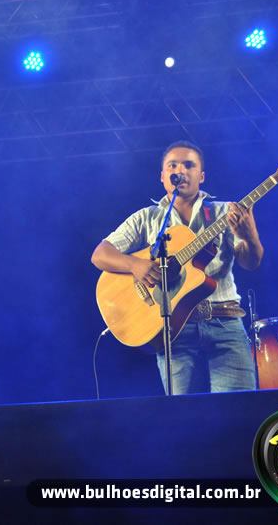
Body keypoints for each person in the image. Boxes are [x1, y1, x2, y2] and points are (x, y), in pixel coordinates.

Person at [90, 141, 264, 394]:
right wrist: (136, 265)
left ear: (201, 176)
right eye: (172, 166)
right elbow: (100, 254)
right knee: (183, 414)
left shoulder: (225, 213)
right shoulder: (147, 217)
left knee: (239, 409)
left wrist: (249, 236)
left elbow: (252, 262)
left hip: (225, 322)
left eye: (189, 165)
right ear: (162, 176)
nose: (180, 170)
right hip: (173, 330)